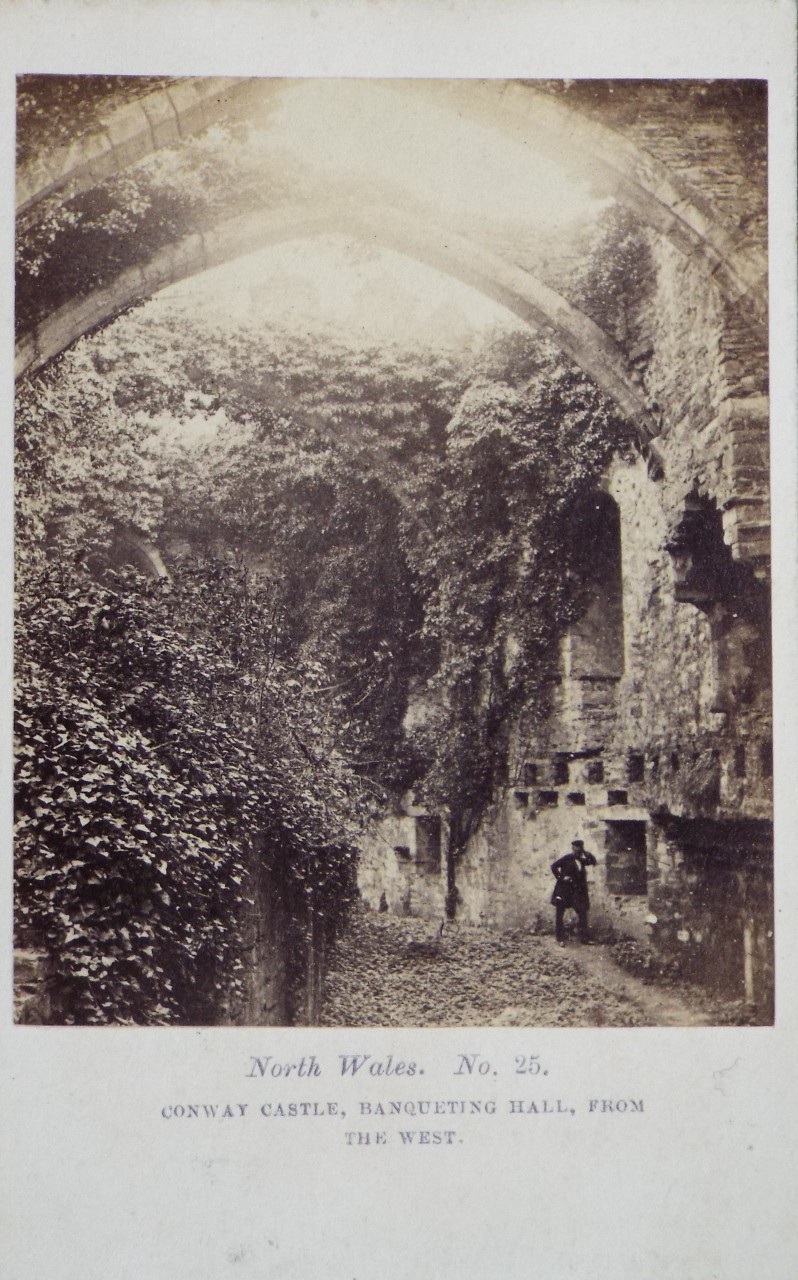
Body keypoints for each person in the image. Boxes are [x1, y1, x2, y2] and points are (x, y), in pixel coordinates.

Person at [550, 839, 598, 945]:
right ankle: (560, 939)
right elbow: (553, 866)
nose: (578, 850)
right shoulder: (567, 858)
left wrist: (586, 853)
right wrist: (562, 877)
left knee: (582, 912)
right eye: (576, 848)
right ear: (573, 848)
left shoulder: (582, 860)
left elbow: (593, 861)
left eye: (580, 848)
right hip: (564, 890)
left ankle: (584, 939)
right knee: (560, 914)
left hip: (577, 892)